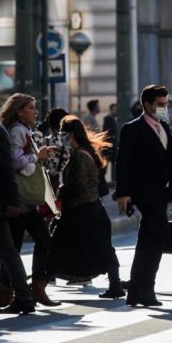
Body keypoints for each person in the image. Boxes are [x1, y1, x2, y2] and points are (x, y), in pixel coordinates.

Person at [115, 85, 172, 307]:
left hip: (162, 192)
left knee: (150, 240)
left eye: (166, 104)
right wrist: (123, 193)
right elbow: (123, 162)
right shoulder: (132, 129)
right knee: (156, 236)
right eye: (160, 105)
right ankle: (144, 290)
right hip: (145, 193)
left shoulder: (164, 126)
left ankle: (139, 291)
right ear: (146, 105)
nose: (164, 108)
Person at [47, 116, 124, 299]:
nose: (61, 137)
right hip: (90, 209)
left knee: (59, 245)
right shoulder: (83, 151)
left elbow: (79, 183)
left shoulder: (81, 154)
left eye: (63, 133)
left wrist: (61, 191)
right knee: (102, 248)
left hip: (82, 210)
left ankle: (40, 284)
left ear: (70, 134)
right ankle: (115, 285)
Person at [0, 93, 60, 308]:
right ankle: (10, 292)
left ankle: (34, 288)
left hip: (26, 201)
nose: (36, 111)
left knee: (33, 243)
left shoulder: (25, 131)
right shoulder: (16, 131)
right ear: (19, 110)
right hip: (19, 200)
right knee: (11, 248)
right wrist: (37, 157)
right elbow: (14, 162)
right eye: (31, 107)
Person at [0, 112, 36, 315]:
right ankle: (25, 298)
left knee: (8, 253)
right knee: (8, 253)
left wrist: (12, 201)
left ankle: (24, 297)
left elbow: (6, 169)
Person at [103, 103, 118, 182]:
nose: (116, 112)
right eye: (115, 110)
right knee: (105, 165)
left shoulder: (112, 119)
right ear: (111, 110)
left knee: (114, 164)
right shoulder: (108, 119)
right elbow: (106, 132)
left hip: (111, 146)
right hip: (109, 146)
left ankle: (113, 181)